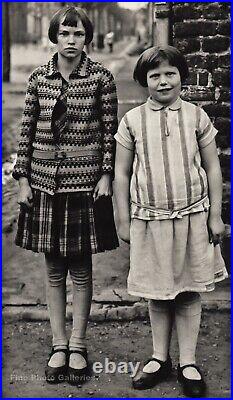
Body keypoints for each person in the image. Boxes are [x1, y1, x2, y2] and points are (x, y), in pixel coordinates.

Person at [12, 6, 119, 385]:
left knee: (81, 267)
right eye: (65, 34)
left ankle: (78, 343)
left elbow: (109, 133)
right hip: (43, 183)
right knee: (54, 268)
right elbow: (25, 132)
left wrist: (105, 175)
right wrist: (22, 179)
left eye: (78, 35)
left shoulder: (101, 79)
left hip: (84, 184)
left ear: (87, 38)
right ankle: (58, 343)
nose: (71, 41)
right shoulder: (39, 79)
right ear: (54, 37)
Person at [114, 45, 228, 397]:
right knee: (159, 293)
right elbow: (121, 173)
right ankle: (159, 357)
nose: (163, 81)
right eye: (154, 76)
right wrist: (122, 218)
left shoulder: (196, 116)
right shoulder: (132, 121)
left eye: (170, 73)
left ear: (182, 76)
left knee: (189, 289)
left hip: (192, 216)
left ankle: (188, 361)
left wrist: (216, 215)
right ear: (143, 81)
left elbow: (212, 166)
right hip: (150, 219)